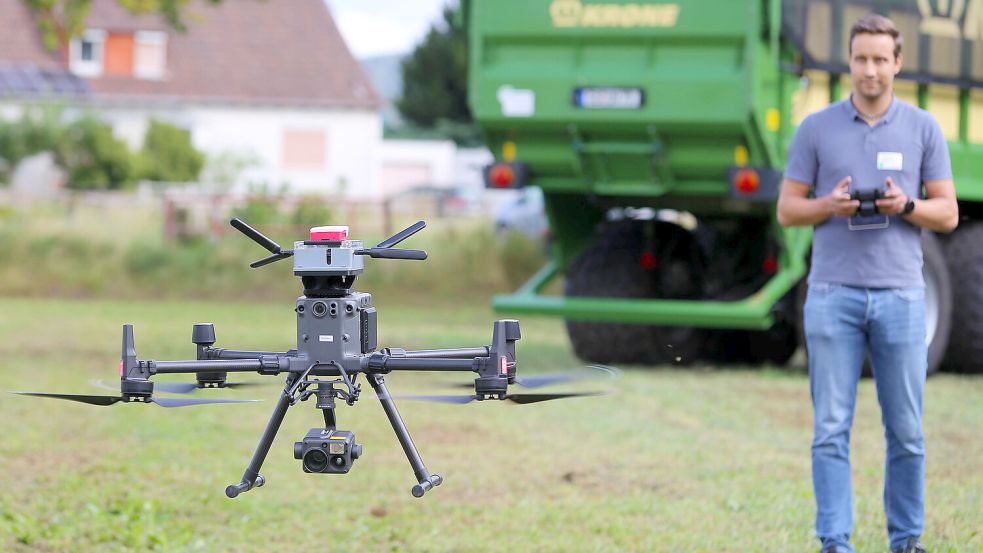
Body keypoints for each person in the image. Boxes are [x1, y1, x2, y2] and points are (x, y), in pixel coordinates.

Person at [776, 13, 959, 553]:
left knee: (906, 431)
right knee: (831, 428)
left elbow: (947, 213)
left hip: (902, 298)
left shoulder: (923, 128)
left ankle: (905, 541)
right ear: (849, 63)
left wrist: (907, 205)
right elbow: (788, 210)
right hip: (832, 295)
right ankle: (835, 541)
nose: (871, 70)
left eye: (881, 59)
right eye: (861, 59)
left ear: (897, 63)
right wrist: (825, 206)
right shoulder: (815, 128)